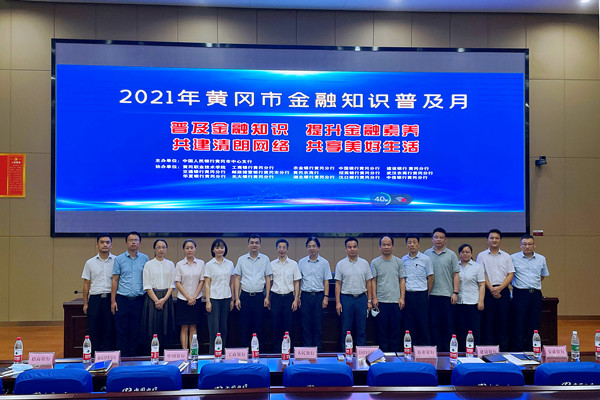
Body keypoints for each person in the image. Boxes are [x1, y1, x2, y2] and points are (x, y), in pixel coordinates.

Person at [111, 231, 149, 356]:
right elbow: (115, 280)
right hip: (122, 299)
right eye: (131, 240)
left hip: (139, 299)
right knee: (122, 329)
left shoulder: (145, 259)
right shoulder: (119, 259)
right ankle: (123, 356)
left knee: (136, 329)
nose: (133, 242)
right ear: (126, 243)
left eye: (136, 240)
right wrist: (113, 301)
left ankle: (133, 356)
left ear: (140, 243)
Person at [476, 229, 515, 351]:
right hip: (487, 291)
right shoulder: (481, 256)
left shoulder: (506, 256)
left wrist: (500, 288)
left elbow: (510, 274)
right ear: (487, 240)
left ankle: (504, 350)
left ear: (500, 240)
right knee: (488, 322)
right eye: (491, 238)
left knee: (503, 321)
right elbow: (481, 274)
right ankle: (489, 349)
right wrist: (492, 289)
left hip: (503, 291)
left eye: (497, 238)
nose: (494, 240)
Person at [511, 235, 549, 352]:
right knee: (518, 323)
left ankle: (532, 349)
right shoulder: (513, 258)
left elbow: (542, 276)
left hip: (535, 294)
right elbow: (509, 275)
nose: (527, 246)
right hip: (520, 294)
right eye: (524, 244)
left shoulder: (541, 259)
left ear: (534, 245)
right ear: (520, 245)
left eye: (530, 244)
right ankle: (518, 350)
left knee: (534, 323)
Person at [424, 227, 460, 352]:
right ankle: (436, 350)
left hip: (447, 295)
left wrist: (455, 292)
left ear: (445, 240)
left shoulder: (451, 255)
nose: (438, 240)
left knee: (448, 325)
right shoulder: (426, 254)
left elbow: (456, 274)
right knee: (434, 325)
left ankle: (447, 351)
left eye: (441, 237)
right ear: (432, 239)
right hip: (432, 295)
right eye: (436, 237)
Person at [335, 237, 373, 348]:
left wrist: (369, 300)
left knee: (361, 329)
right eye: (349, 247)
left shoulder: (364, 263)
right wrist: (338, 302)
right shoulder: (340, 264)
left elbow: (369, 282)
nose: (352, 249)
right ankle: (346, 353)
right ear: (346, 249)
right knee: (346, 329)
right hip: (346, 299)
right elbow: (338, 284)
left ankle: (361, 353)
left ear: (358, 248)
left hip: (361, 299)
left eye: (354, 247)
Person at [234, 234, 272, 347]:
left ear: (260, 245)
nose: (254, 245)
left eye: (256, 243)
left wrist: (267, 297)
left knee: (259, 327)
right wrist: (237, 298)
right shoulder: (242, 259)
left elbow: (268, 278)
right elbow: (237, 278)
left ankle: (259, 353)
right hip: (245, 297)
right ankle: (245, 352)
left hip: (259, 297)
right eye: (252, 242)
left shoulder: (265, 259)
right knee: (244, 327)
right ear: (248, 245)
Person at [81, 233, 116, 352]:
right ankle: (94, 355)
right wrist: (85, 303)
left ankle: (108, 355)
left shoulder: (117, 261)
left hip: (111, 299)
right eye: (102, 242)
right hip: (95, 299)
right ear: (97, 245)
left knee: (109, 329)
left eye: (107, 242)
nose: (105, 245)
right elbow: (86, 283)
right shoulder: (90, 262)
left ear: (111, 245)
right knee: (94, 329)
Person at [371, 235, 406, 352]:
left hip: (396, 301)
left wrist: (402, 297)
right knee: (382, 332)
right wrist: (374, 297)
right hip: (381, 301)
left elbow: (402, 280)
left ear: (392, 246)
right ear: (380, 247)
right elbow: (373, 281)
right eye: (384, 245)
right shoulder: (375, 262)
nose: (386, 247)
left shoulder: (399, 262)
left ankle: (395, 355)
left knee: (395, 331)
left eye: (388, 245)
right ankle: (383, 355)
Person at [298, 237, 332, 351]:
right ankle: (307, 351)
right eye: (309, 246)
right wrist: (298, 297)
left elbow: (326, 281)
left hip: (319, 297)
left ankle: (318, 352)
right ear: (307, 248)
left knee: (318, 326)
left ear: (318, 248)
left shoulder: (324, 263)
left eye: (314, 246)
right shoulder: (301, 262)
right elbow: (299, 281)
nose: (311, 248)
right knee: (306, 326)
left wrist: (326, 297)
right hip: (305, 296)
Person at [142, 239, 176, 347]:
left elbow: (172, 284)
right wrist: (157, 301)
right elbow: (147, 285)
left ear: (166, 249)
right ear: (154, 249)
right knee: (152, 327)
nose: (161, 250)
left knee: (166, 327)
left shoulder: (170, 264)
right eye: (158, 247)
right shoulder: (148, 264)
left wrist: (164, 300)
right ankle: (152, 352)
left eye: (163, 247)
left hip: (166, 297)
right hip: (152, 298)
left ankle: (165, 352)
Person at [269, 239, 301, 351]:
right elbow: (270, 282)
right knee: (275, 326)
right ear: (276, 249)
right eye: (279, 247)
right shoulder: (271, 264)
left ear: (287, 249)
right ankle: (276, 351)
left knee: (288, 326)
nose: (281, 250)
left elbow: (296, 282)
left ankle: (288, 351)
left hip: (288, 298)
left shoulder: (293, 264)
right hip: (275, 297)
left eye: (284, 247)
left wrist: (296, 299)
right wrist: (268, 298)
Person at [401, 234, 434, 346]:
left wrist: (426, 293)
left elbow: (431, 278)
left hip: (421, 295)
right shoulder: (403, 260)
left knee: (423, 323)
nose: (412, 245)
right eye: (409, 242)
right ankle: (410, 348)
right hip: (408, 295)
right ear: (406, 245)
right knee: (409, 324)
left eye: (414, 242)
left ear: (418, 244)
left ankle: (425, 348)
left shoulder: (426, 259)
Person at [204, 238, 235, 353]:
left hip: (226, 298)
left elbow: (232, 283)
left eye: (222, 247)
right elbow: (207, 284)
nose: (220, 250)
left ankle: (222, 353)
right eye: (217, 247)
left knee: (224, 328)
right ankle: (213, 354)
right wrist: (208, 301)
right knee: (214, 329)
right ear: (213, 250)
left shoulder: (230, 264)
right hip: (214, 299)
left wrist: (232, 299)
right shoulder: (209, 264)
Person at [174, 239, 205, 350]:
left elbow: (202, 281)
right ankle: (184, 352)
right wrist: (188, 297)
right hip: (183, 299)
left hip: (196, 299)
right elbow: (177, 282)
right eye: (187, 248)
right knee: (184, 327)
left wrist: (194, 296)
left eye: (192, 247)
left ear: (195, 249)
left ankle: (193, 352)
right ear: (184, 250)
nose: (189, 250)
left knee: (193, 327)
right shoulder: (179, 264)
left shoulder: (201, 263)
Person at [455, 244, 485, 351]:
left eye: (467, 252)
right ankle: (462, 352)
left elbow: (481, 285)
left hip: (473, 302)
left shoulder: (477, 267)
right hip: (459, 302)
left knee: (474, 329)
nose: (465, 254)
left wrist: (481, 301)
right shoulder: (455, 266)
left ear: (471, 253)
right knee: (460, 329)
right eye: (463, 252)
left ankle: (475, 352)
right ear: (459, 254)